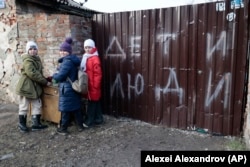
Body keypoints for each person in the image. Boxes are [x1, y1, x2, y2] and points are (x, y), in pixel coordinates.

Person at [52, 37, 85, 135]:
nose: (62, 52)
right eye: (61, 50)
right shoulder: (72, 60)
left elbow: (61, 76)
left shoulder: (66, 62)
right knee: (76, 108)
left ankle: (63, 129)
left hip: (67, 89)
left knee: (65, 109)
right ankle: (80, 126)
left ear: (69, 52)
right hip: (72, 87)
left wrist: (54, 75)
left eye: (65, 51)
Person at [16, 41, 50, 132]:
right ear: (27, 51)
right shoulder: (28, 60)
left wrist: (46, 78)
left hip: (35, 86)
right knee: (24, 105)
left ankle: (36, 124)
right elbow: (32, 73)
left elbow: (38, 73)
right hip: (26, 86)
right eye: (30, 49)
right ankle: (21, 124)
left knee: (37, 104)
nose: (32, 51)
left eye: (34, 49)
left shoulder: (36, 59)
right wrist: (44, 82)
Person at [80, 39, 104, 128]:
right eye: (85, 47)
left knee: (92, 103)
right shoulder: (87, 57)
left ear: (93, 47)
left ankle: (89, 121)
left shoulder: (94, 59)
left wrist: (95, 86)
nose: (87, 49)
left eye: (89, 47)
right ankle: (99, 119)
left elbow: (98, 74)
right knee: (95, 102)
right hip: (89, 84)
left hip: (93, 86)